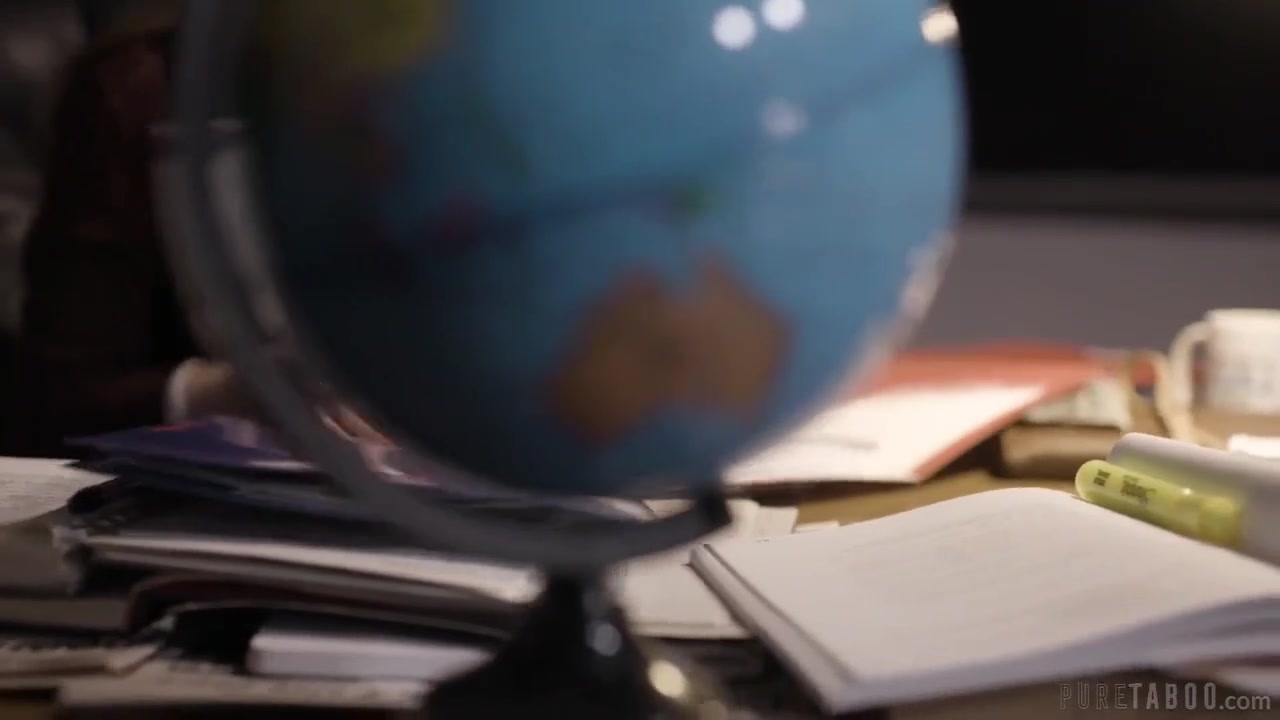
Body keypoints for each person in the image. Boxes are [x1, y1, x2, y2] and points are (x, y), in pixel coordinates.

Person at [6, 1, 380, 457]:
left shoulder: (441, 78)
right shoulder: (143, 86)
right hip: (241, 472)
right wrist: (225, 390)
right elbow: (58, 400)